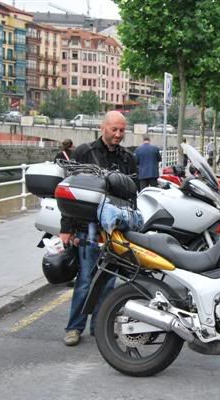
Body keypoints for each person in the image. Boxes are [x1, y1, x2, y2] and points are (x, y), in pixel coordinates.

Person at [59, 111, 137, 347]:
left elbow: (134, 194)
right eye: (114, 129)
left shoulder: (128, 158)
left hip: (115, 229)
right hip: (88, 226)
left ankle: (99, 326)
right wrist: (67, 228)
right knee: (85, 280)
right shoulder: (84, 152)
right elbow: (69, 191)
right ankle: (74, 328)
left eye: (122, 130)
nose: (118, 134)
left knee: (108, 281)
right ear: (103, 128)